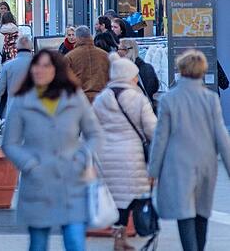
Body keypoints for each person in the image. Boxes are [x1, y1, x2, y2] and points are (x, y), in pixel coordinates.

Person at [2, 49, 103, 251]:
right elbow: (9, 143)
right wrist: (29, 164)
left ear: (57, 70)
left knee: (75, 241)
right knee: (38, 243)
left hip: (72, 181)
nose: (39, 70)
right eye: (36, 65)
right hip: (38, 183)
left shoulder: (74, 98)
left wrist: (82, 158)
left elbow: (95, 134)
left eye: (46, 65)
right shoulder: (22, 100)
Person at [148, 50, 230, 251]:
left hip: (178, 164)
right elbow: (221, 137)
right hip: (206, 163)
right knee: (202, 212)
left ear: (181, 70)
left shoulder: (169, 99)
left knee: (184, 211)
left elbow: (160, 137)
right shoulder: (210, 99)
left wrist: (153, 171)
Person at [93, 58, 157, 251]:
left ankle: (118, 236)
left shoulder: (102, 98)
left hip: (105, 155)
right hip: (131, 155)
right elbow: (152, 130)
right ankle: (122, 236)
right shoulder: (137, 98)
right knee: (131, 197)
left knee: (115, 197)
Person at [0, 35, 34, 122]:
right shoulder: (40, 66)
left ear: (17, 48)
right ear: (31, 48)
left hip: (13, 113)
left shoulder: (8, 66)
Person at [66, 25, 111, 102]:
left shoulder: (70, 57)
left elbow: (64, 80)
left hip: (79, 101)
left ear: (77, 38)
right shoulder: (105, 55)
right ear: (90, 36)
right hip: (102, 100)